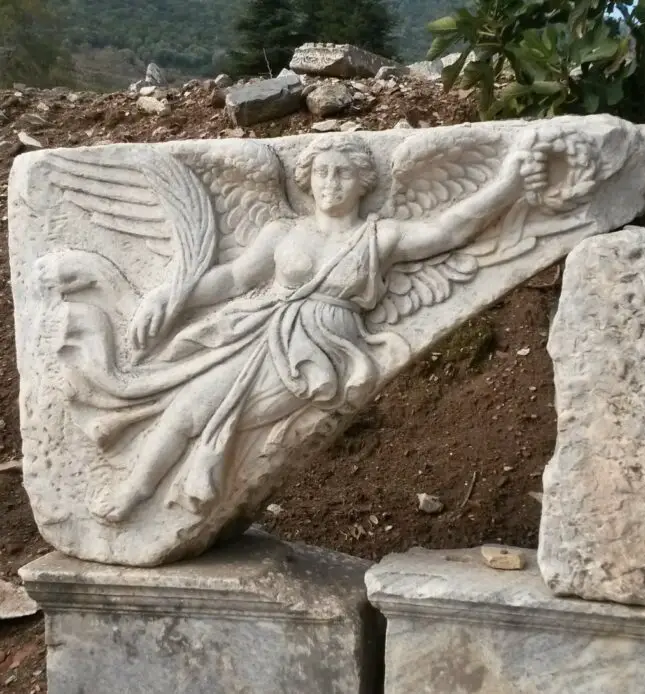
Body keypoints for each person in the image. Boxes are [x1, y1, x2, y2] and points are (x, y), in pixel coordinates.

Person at [44, 134, 546, 522]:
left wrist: (510, 182)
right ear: (307, 177)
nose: (331, 182)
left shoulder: (381, 236)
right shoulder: (284, 231)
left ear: (363, 182)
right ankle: (136, 493)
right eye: (323, 172)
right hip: (257, 329)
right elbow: (235, 278)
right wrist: (171, 297)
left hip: (321, 347)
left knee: (216, 411)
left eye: (344, 173)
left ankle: (176, 486)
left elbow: (449, 230)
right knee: (188, 405)